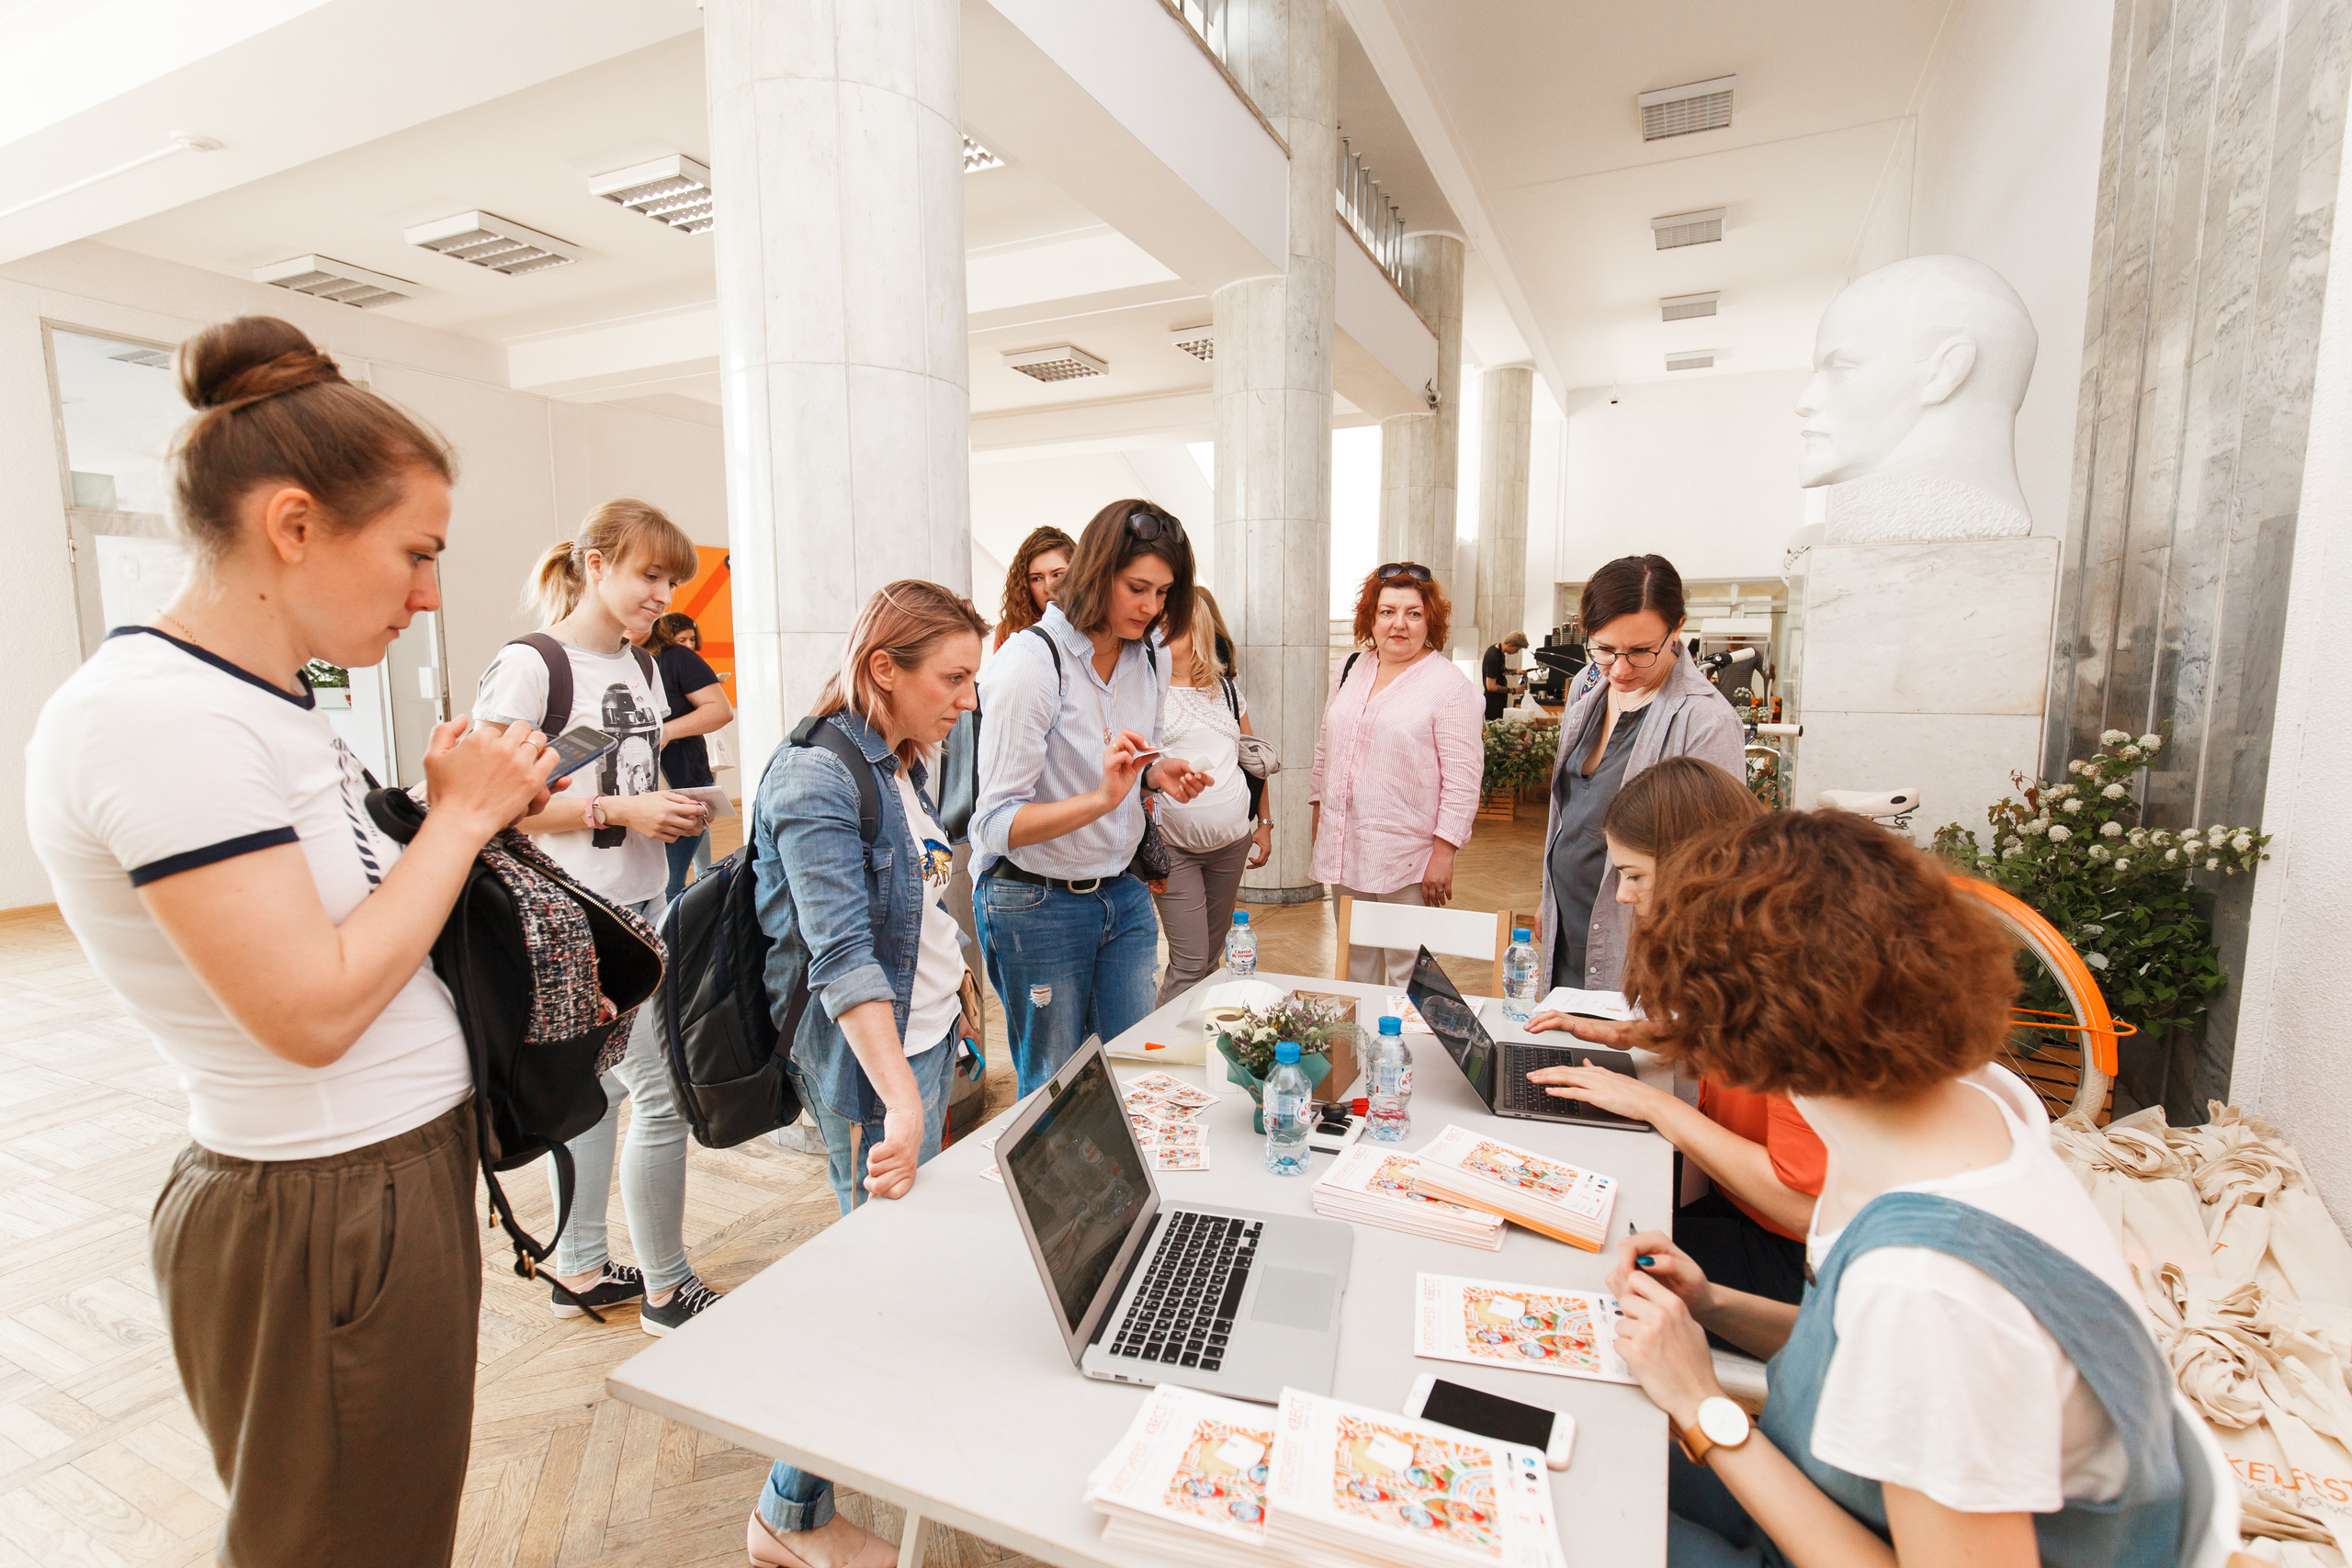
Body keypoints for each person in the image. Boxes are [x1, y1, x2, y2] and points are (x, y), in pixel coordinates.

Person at [24, 315, 560, 1561]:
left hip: (369, 1183)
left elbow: (346, 917)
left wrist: (452, 817)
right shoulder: (160, 718)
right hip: (328, 1199)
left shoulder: (254, 705)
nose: (428, 594)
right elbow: (311, 1011)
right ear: (295, 524)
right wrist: (458, 823)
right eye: (416, 553)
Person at [1601, 809, 2233, 1567]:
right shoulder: (1979, 1115)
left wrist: (1703, 1404)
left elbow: (1921, 1334)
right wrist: (1713, 1305)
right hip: (1830, 1494)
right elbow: (1876, 1363)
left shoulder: (1928, 1288)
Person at [744, 581, 987, 1568]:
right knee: (870, 1294)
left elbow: (915, 908)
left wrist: (952, 1002)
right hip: (866, 1071)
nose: (967, 699)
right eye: (953, 678)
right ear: (884, 668)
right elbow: (842, 956)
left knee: (895, 1276)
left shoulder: (898, 757)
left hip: (916, 1048)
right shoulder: (816, 776)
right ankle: (789, 1513)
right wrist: (900, 1101)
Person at [474, 500, 725, 1335]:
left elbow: (621, 777)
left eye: (671, 581)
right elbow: (487, 803)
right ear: (595, 564)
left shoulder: (645, 666)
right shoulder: (533, 665)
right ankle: (667, 1287)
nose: (662, 594)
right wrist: (617, 810)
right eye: (649, 575)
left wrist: (664, 808)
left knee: (599, 1091)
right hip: (575, 917)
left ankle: (578, 1264)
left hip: (638, 904)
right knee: (659, 1095)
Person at [1521, 757, 1824, 1306]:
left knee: (1583, 1259)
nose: (1623, 895)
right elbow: (1742, 1050)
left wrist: (1651, 1104)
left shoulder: (1796, 988)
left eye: (1636, 875)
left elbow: (1803, 1207)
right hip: (1741, 1208)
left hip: (1794, 1257)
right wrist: (1640, 1035)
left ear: (1699, 867)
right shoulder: (1753, 947)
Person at [971, 500, 1213, 1096]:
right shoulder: (1029, 663)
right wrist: (1103, 799)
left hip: (1123, 893)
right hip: (1036, 903)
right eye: (1137, 588)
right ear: (1098, 573)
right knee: (1055, 1093)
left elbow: (1128, 762)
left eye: (1164, 592)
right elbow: (996, 823)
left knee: (1130, 1075)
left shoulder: (1151, 653)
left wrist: (1155, 772)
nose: (1151, 607)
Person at [1542, 554, 1744, 994]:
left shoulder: (1705, 721)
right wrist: (1550, 898)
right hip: (1569, 921)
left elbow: (1718, 863)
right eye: (1604, 649)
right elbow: (1569, 811)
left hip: (1636, 936)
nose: (1620, 669)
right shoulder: (1588, 685)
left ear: (1677, 629)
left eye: (1640, 651)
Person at [1308, 562, 1484, 984]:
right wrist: (1319, 817)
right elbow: (1325, 748)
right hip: (1345, 845)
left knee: (1413, 974)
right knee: (1355, 964)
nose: (1399, 624)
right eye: (1387, 612)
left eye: (1413, 613)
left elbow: (1463, 780)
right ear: (1372, 617)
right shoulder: (1350, 668)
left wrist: (1444, 854)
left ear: (1430, 621)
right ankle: (1361, 1031)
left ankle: (1419, 1033)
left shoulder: (1449, 686)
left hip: (1408, 854)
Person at [1148, 586, 1272, 1004]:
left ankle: (1204, 1035)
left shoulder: (1226, 691)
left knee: (1210, 961)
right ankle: (1162, 1040)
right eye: (1156, 626)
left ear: (1197, 630)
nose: (1159, 635)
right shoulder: (1146, 693)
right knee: (1189, 965)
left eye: (1171, 626)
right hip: (1173, 848)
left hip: (1231, 845)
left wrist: (1265, 824)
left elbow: (1253, 760)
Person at [643, 610, 733, 901]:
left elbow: (720, 711)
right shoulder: (623, 659)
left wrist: (667, 732)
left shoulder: (676, 659)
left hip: (680, 777)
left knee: (670, 884)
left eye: (691, 639)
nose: (689, 644)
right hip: (638, 790)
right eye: (683, 639)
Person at [991, 524, 1077, 649]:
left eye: (1057, 575)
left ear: (1077, 574)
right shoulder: (1009, 632)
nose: (1048, 588)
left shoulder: (1098, 626)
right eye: (1037, 579)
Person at [1482, 628, 1529, 721]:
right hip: (1493, 702)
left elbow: (1499, 671)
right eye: (1516, 649)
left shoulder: (1500, 652)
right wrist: (1515, 690)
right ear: (1510, 645)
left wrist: (1515, 671)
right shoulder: (1493, 657)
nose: (1516, 652)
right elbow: (1491, 686)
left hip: (1499, 699)